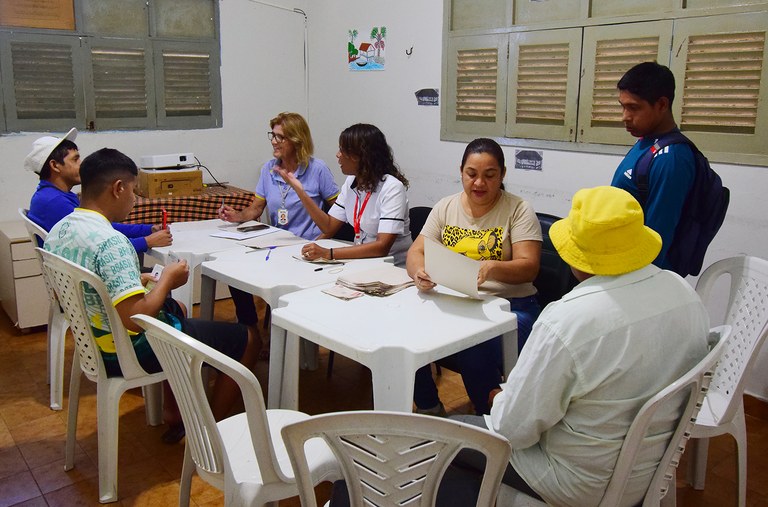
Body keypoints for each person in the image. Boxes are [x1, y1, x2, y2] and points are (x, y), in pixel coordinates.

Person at [441, 186, 710, 506]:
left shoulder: (569, 320)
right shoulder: (683, 293)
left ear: (576, 257)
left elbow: (513, 430)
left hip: (577, 481)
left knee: (443, 435)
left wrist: (501, 399)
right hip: (652, 466)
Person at [44, 148, 257, 443]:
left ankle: (174, 412)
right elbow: (135, 319)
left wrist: (139, 279)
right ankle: (205, 435)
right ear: (118, 188)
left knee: (177, 308)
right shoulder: (112, 242)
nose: (134, 200)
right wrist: (167, 280)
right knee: (248, 338)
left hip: (92, 342)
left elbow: (89, 283)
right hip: (124, 350)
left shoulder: (60, 230)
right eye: (133, 191)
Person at [406, 138, 542, 416]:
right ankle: (429, 407)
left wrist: (493, 267)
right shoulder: (445, 207)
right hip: (459, 300)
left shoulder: (518, 209)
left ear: (502, 175)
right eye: (472, 174)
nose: (479, 183)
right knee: (409, 329)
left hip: (511, 307)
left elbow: (529, 267)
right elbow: (416, 252)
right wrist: (418, 272)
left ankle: (489, 417)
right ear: (461, 171)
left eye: (489, 176)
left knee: (472, 343)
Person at [218, 112, 340, 352]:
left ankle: (289, 340)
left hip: (307, 247)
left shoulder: (318, 170)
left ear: (296, 139)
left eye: (280, 137)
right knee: (232, 270)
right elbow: (256, 208)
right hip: (275, 246)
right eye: (272, 135)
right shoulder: (268, 169)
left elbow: (338, 214)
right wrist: (237, 216)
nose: (274, 141)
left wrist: (323, 238)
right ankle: (250, 330)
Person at [278, 123, 412, 266]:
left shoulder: (392, 188)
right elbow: (328, 227)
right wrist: (300, 191)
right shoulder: (351, 182)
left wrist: (328, 253)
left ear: (358, 156)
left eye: (342, 150)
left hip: (392, 268)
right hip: (360, 263)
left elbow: (381, 247)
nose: (337, 155)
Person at [25, 127, 172, 253]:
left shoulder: (54, 195)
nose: (81, 165)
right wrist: (147, 242)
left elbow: (104, 228)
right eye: (75, 160)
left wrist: (147, 230)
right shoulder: (55, 203)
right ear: (55, 165)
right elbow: (101, 247)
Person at [611, 61, 695, 270]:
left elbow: (656, 241)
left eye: (634, 107)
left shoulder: (671, 159)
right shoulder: (647, 142)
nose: (625, 117)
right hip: (621, 263)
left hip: (640, 274)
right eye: (623, 106)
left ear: (662, 105)